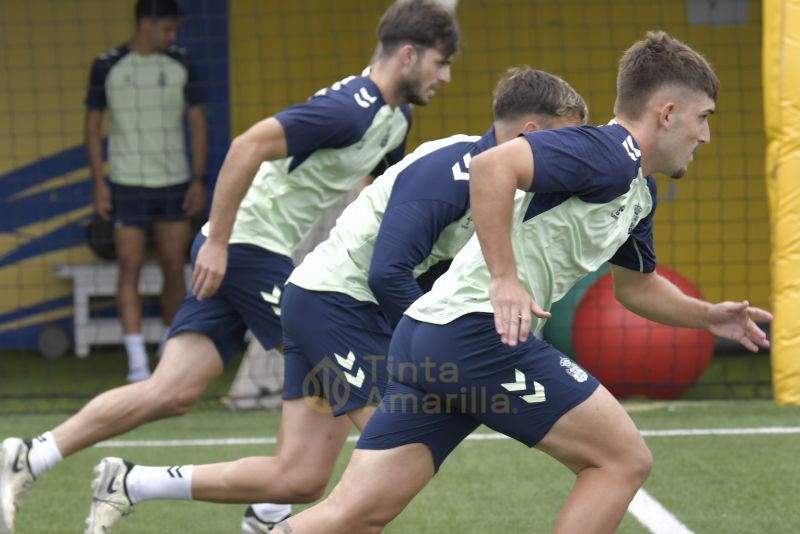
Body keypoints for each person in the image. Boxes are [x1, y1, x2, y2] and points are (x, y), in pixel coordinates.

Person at [270, 31, 774, 534]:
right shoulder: (609, 151)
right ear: (666, 113)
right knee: (622, 460)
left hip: (431, 336)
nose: (705, 135)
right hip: (476, 334)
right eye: (703, 117)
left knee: (353, 515)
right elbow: (492, 166)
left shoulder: (637, 188)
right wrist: (505, 278)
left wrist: (707, 315)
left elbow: (636, 288)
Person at [0, 2, 459, 534]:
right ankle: (269, 511)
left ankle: (30, 456)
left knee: (173, 391)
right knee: (346, 377)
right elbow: (246, 146)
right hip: (245, 250)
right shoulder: (348, 109)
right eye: (440, 63)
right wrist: (217, 241)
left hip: (254, 253)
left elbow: (370, 197)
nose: (445, 76)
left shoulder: (395, 117)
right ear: (408, 55)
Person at [80, 67, 587, 532]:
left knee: (298, 477)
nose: (571, 160)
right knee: (392, 465)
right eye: (567, 142)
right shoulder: (454, 169)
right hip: (335, 307)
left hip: (326, 306)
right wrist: (430, 350)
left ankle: (132, 482)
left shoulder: (506, 185)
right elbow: (387, 272)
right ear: (531, 134)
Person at [86, 0, 208, 383]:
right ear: (147, 24)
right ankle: (137, 364)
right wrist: (98, 181)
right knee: (130, 267)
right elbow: (91, 127)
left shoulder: (182, 63)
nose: (173, 37)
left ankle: (169, 352)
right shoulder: (107, 64)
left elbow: (198, 125)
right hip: (125, 183)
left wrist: (197, 178)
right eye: (168, 29)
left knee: (175, 266)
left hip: (173, 182)